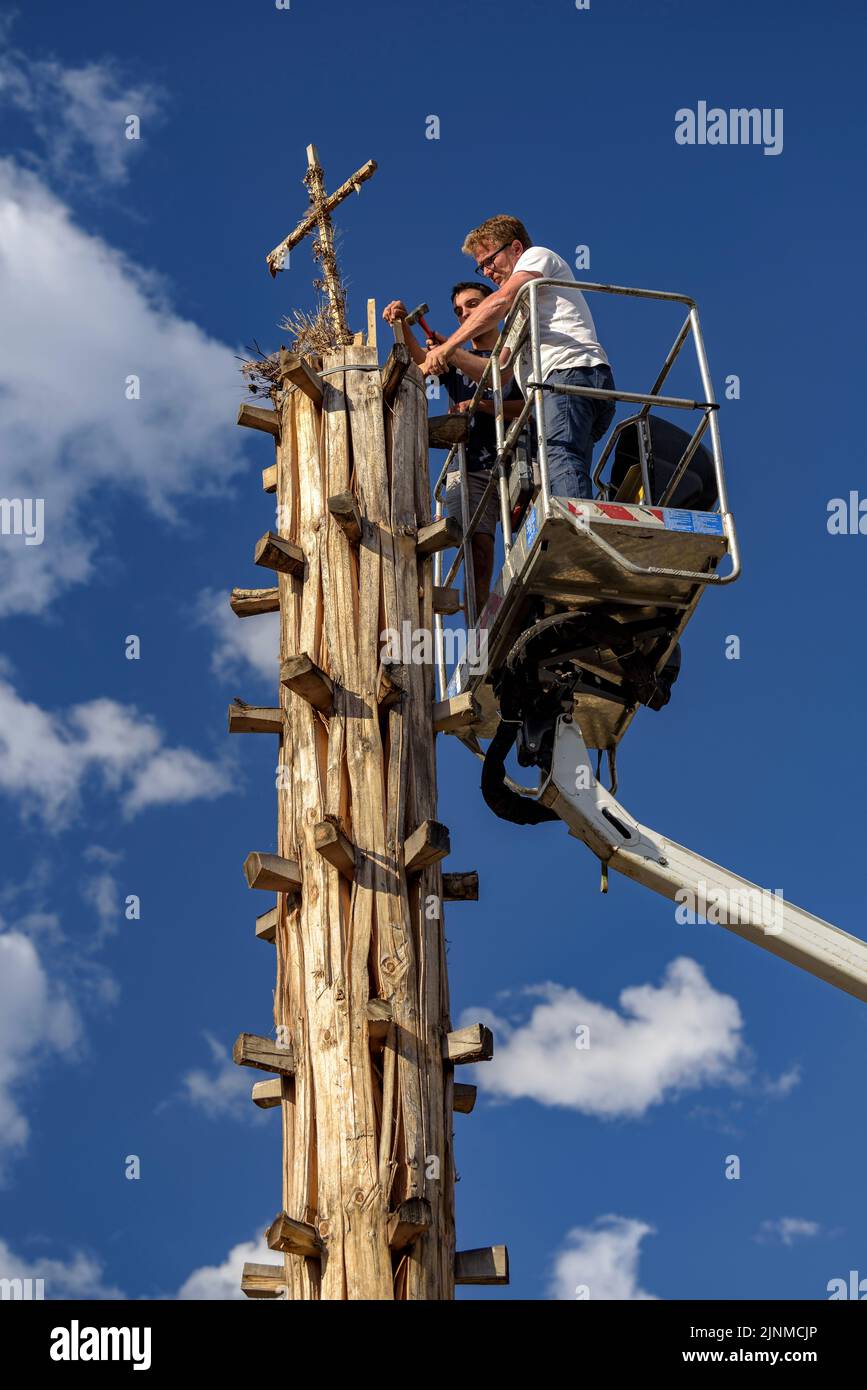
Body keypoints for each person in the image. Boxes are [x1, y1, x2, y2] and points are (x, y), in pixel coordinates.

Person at [421, 216, 616, 501]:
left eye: (490, 260)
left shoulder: (536, 257)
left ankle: (574, 525)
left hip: (568, 375)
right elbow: (498, 374)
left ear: (515, 248)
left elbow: (502, 299)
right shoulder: (522, 309)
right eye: (481, 266)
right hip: (566, 387)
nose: (487, 271)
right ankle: (577, 519)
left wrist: (448, 347)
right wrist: (453, 355)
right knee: (562, 465)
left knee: (560, 458)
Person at [383, 284, 522, 608]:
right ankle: (480, 624)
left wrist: (481, 406)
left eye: (473, 305)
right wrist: (401, 325)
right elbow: (422, 362)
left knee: (532, 540)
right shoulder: (454, 359)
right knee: (477, 551)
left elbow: (527, 400)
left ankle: (525, 610)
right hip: (469, 465)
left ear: (493, 306)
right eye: (459, 311)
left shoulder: (515, 353)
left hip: (515, 459)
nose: (465, 314)